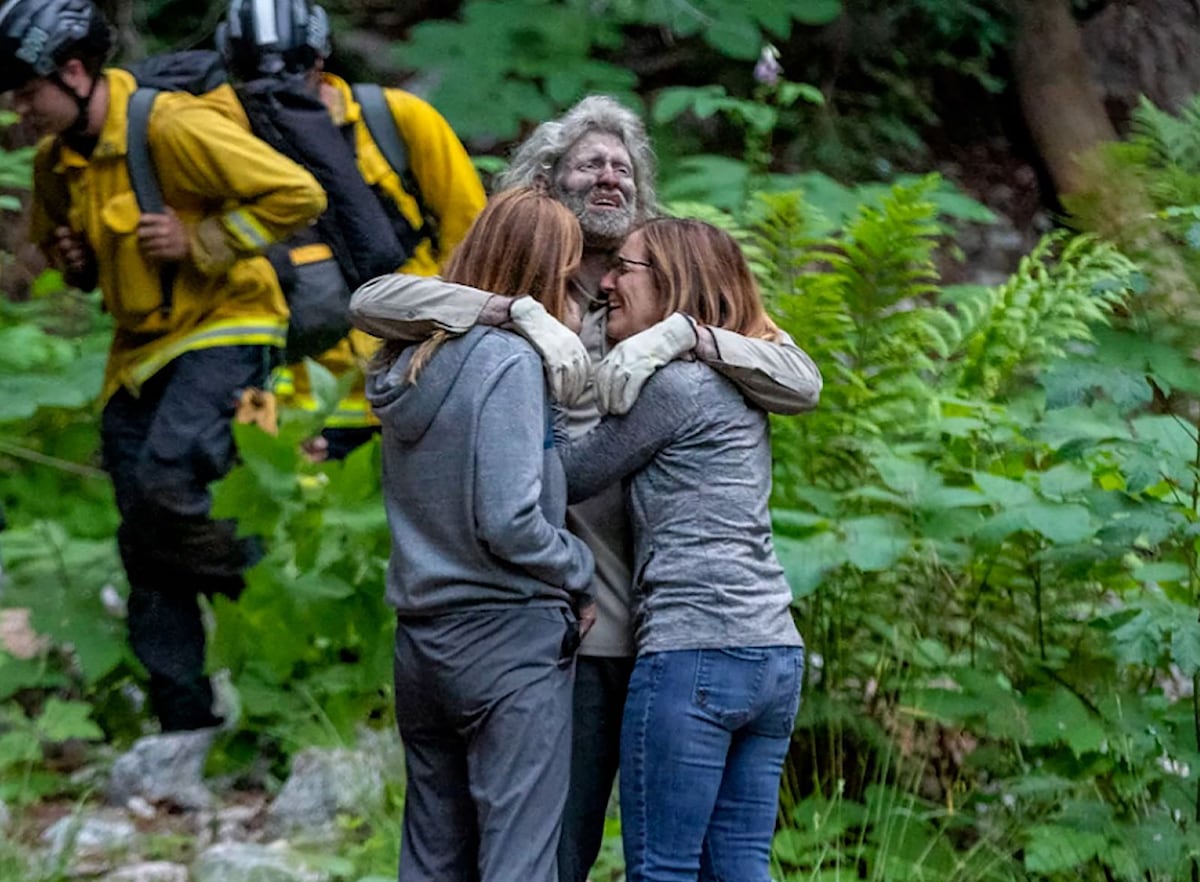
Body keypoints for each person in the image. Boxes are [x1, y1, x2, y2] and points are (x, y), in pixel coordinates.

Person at [350, 94, 821, 882]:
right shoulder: (532, 282)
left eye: (622, 165)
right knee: (554, 846)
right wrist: (518, 312)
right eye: (589, 163)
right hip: (573, 622)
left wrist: (684, 336)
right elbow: (373, 302)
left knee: (644, 852)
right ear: (547, 180)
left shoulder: (661, 287)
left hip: (674, 627)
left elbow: (801, 380)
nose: (609, 176)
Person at [1, 0, 327, 731]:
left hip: (231, 326)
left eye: (27, 91)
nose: (19, 109)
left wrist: (203, 239)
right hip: (138, 354)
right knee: (140, 536)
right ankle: (185, 725)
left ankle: (268, 597)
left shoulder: (169, 124)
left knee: (169, 479)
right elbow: (66, 256)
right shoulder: (56, 164)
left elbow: (298, 194)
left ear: (75, 72)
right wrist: (74, 261)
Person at [559, 218, 805, 882]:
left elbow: (571, 475)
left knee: (662, 870)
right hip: (773, 651)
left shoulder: (674, 386)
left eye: (624, 268)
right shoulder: (739, 379)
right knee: (738, 868)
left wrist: (541, 403)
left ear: (672, 282)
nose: (607, 282)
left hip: (693, 651)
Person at [363, 186, 594, 882]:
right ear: (543, 276)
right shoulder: (510, 361)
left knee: (433, 860)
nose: (577, 295)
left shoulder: (410, 360)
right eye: (570, 277)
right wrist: (578, 565)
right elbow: (509, 520)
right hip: (506, 641)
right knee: (518, 861)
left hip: (421, 643)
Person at [217, 0, 486, 461]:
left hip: (412, 386)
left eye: (295, 70)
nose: (275, 89)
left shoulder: (394, 120)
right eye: (254, 76)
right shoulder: (221, 143)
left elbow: (475, 242)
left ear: (320, 59)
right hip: (293, 406)